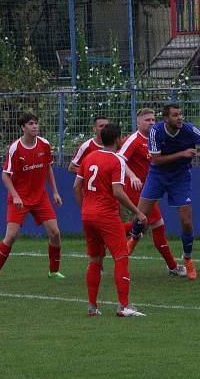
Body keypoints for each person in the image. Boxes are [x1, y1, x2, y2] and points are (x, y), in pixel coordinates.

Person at [127, 103, 200, 280]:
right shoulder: (156, 131)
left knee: (186, 221)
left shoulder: (188, 130)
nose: (179, 118)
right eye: (175, 115)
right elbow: (157, 160)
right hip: (157, 175)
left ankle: (188, 258)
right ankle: (135, 236)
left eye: (180, 114)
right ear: (166, 119)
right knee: (140, 215)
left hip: (180, 178)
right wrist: (182, 154)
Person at [73, 123, 148, 317]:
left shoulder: (89, 157)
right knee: (121, 257)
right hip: (106, 214)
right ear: (118, 140)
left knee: (95, 259)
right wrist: (137, 211)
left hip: (87, 215)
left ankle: (92, 306)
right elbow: (118, 192)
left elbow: (76, 186)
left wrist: (84, 207)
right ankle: (123, 306)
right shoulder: (116, 161)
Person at [0, 113, 64, 284]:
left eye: (36, 123)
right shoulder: (15, 148)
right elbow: (5, 176)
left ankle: (54, 271)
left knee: (55, 232)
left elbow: (48, 168)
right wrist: (15, 196)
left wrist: (55, 192)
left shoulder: (44, 144)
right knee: (12, 235)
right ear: (23, 127)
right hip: (19, 198)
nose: (35, 126)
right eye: (31, 124)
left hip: (40, 197)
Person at [119, 108, 186, 277]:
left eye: (153, 120)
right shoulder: (133, 140)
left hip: (150, 188)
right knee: (157, 224)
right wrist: (132, 176)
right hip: (135, 189)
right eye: (147, 120)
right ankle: (172, 266)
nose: (151, 123)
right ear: (138, 123)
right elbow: (119, 159)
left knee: (143, 223)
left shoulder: (156, 138)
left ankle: (111, 233)